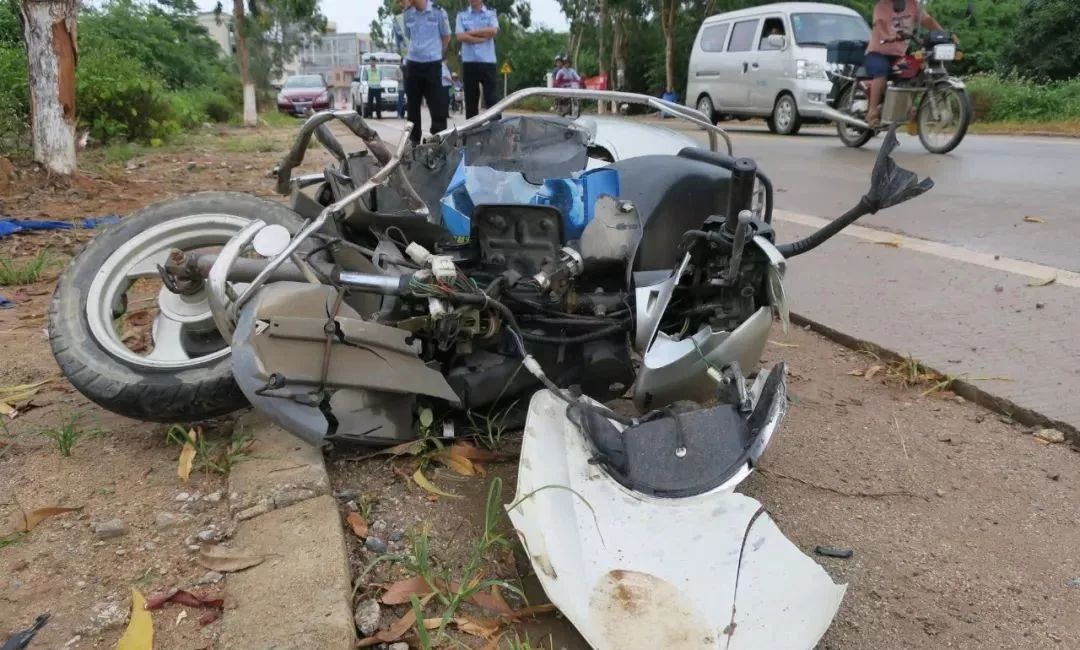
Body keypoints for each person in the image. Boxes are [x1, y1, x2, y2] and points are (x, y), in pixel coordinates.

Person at [865, 0, 945, 127]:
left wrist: (943, 35)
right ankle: (872, 112)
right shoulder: (882, 5)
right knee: (881, 71)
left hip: (898, 55)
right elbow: (879, 24)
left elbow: (928, 21)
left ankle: (907, 108)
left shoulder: (914, 5)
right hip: (878, 53)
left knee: (915, 72)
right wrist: (889, 35)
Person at [401, 0, 451, 144]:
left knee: (438, 108)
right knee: (412, 108)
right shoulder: (408, 13)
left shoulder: (438, 12)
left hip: (432, 65)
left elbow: (446, 37)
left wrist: (436, 53)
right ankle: (414, 141)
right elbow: (409, 35)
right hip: (413, 65)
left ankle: (437, 142)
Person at [455, 0, 499, 119]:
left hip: (488, 61)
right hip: (469, 61)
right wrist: (481, 38)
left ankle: (496, 129)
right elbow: (460, 36)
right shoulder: (462, 15)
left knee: (491, 99)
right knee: (471, 101)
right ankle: (471, 133)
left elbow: (493, 31)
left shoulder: (490, 14)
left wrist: (471, 33)